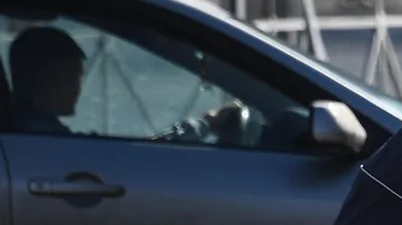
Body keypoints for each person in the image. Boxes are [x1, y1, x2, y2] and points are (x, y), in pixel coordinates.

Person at [7, 25, 246, 141]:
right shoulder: (47, 143)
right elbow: (142, 157)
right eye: (75, 76)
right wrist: (205, 124)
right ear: (54, 79)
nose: (79, 88)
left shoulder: (30, 136)